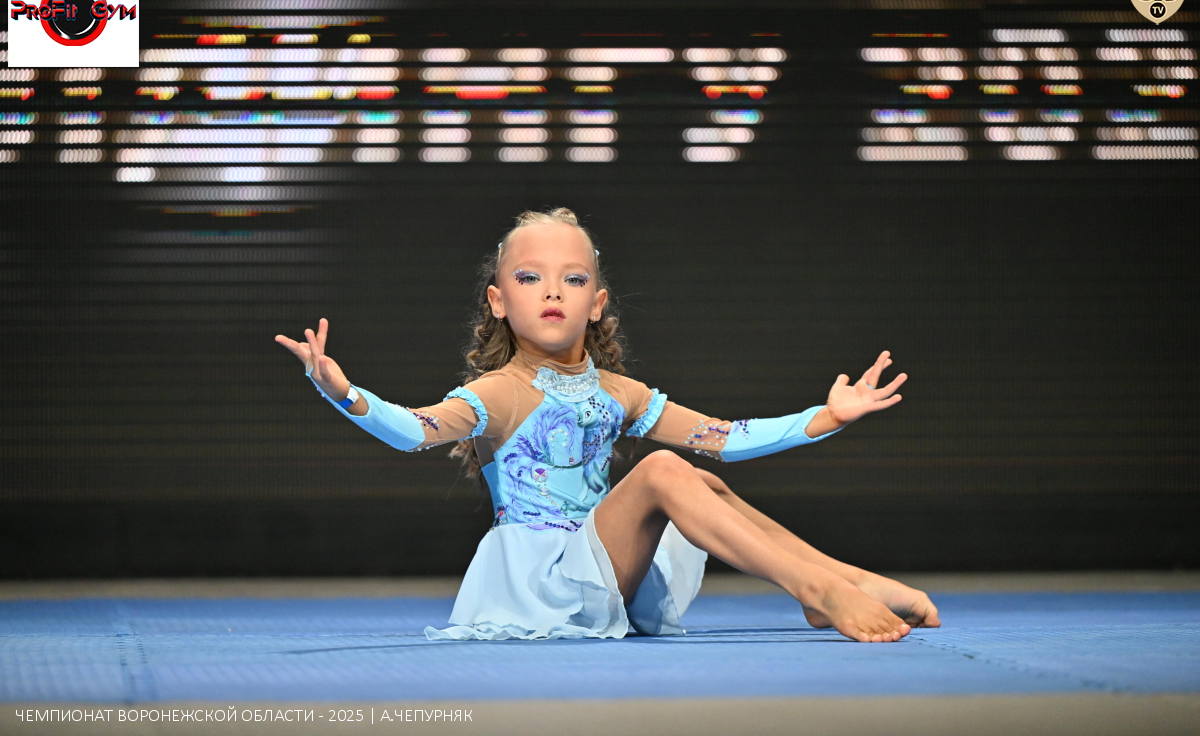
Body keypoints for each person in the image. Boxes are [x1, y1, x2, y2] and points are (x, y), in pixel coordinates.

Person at [275, 208, 940, 643]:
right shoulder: (499, 392)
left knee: (702, 481)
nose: (552, 291)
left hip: (603, 566)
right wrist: (344, 393)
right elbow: (413, 429)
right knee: (661, 470)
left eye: (572, 279)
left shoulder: (621, 394)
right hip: (547, 584)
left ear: (595, 303)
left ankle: (843, 580)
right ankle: (815, 589)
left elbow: (724, 438)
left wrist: (826, 417)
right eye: (530, 278)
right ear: (499, 301)